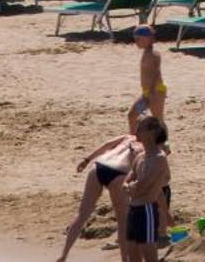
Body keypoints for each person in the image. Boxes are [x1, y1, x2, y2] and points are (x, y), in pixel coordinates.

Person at [55, 133, 139, 262]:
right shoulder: (146, 147)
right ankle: (124, 260)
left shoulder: (128, 137)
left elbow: (106, 145)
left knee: (82, 215)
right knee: (122, 221)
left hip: (99, 166)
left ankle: (63, 255)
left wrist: (86, 160)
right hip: (119, 172)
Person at [122, 117, 170, 262]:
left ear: (151, 132)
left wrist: (130, 187)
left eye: (141, 127)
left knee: (149, 255)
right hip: (133, 209)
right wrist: (129, 186)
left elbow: (142, 187)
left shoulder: (158, 158)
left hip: (146, 209)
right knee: (132, 255)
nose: (136, 131)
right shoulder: (140, 157)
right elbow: (127, 181)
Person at [127, 26, 166, 131]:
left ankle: (165, 145)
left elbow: (153, 76)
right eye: (135, 39)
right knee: (132, 116)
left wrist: (148, 95)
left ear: (147, 39)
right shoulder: (147, 52)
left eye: (138, 39)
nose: (136, 42)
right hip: (148, 92)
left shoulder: (153, 54)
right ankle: (133, 139)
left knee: (158, 119)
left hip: (156, 90)